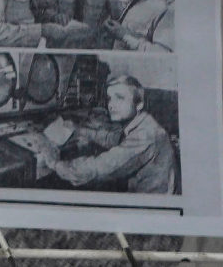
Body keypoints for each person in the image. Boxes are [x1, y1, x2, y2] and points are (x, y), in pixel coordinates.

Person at [37, 75, 177, 193]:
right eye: (110, 98)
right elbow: (113, 138)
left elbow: (101, 167)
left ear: (139, 104)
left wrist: (55, 164)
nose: (111, 104)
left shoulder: (146, 134)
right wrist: (80, 130)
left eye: (119, 98)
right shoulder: (142, 122)